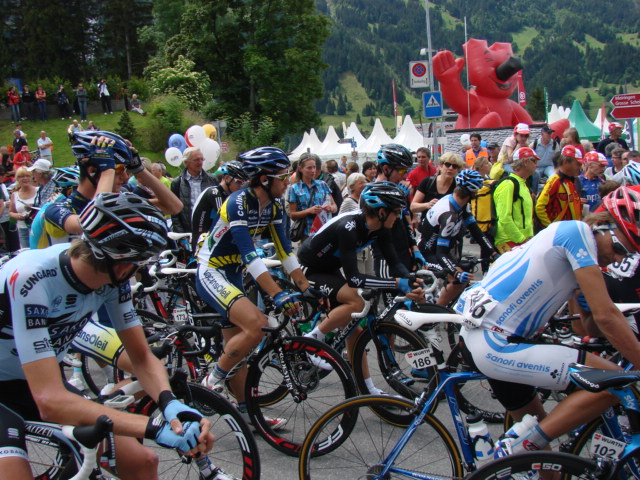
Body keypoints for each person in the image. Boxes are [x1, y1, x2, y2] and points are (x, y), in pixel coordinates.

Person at [0, 192, 213, 480]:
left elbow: (140, 356)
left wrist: (169, 403)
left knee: (142, 462)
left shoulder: (114, 281)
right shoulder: (32, 278)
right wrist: (153, 428)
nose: (139, 271)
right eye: (139, 263)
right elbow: (50, 401)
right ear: (122, 263)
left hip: (27, 380)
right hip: (24, 386)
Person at [455, 185, 640, 457]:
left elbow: (586, 327)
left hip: (493, 341)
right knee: (615, 384)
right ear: (602, 224)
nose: (618, 258)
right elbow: (606, 317)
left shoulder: (574, 248)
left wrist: (598, 312)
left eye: (628, 254)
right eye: (618, 247)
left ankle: (522, 453)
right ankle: (518, 447)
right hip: (497, 343)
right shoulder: (577, 232)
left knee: (546, 460)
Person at [198, 146, 323, 429]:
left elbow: (285, 251)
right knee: (257, 325)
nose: (289, 181)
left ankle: (247, 415)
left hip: (233, 274)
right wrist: (278, 294)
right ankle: (211, 382)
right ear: (264, 179)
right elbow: (249, 255)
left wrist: (305, 287)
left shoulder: (274, 206)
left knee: (237, 351)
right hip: (212, 270)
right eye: (283, 176)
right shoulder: (237, 202)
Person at [298, 182, 424, 389]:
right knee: (357, 302)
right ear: (382, 212)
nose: (400, 216)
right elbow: (354, 279)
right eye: (396, 211)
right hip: (308, 269)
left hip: (329, 270)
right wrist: (396, 283)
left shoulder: (381, 228)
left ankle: (367, 388)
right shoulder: (349, 228)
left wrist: (411, 280)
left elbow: (394, 263)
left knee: (354, 332)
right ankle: (311, 341)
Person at [418, 169, 498, 306]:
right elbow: (441, 253)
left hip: (437, 250)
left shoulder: (458, 203)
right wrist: (456, 273)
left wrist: (494, 253)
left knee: (461, 274)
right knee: (459, 280)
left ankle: (437, 303)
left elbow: (475, 230)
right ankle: (436, 311)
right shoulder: (450, 215)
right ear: (471, 193)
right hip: (428, 253)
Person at [371, 144, 424, 307]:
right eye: (401, 170)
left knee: (415, 302)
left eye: (406, 170)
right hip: (385, 258)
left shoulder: (397, 188)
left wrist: (414, 247)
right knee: (393, 312)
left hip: (403, 254)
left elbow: (404, 222)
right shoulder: (371, 193)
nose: (405, 175)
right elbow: (378, 231)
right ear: (386, 168)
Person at [191, 160, 248, 251]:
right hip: (202, 244)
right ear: (227, 178)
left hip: (213, 241)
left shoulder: (230, 195)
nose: (241, 186)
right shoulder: (214, 192)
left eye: (243, 183)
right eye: (238, 182)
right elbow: (227, 218)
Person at [493, 147, 536, 253]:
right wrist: (521, 239)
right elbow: (504, 217)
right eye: (534, 161)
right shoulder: (508, 185)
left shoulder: (523, 184)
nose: (537, 165)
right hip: (509, 240)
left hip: (522, 241)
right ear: (526, 162)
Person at [288, 153, 337, 241]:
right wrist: (309, 211)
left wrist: (330, 208)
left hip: (325, 230)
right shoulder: (294, 188)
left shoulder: (322, 184)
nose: (313, 170)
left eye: (314, 167)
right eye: (309, 168)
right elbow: (292, 215)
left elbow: (335, 207)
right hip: (307, 233)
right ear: (300, 169)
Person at [170, 147, 217, 234]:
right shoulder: (177, 183)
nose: (200, 162)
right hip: (188, 231)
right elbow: (174, 211)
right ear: (186, 162)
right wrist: (181, 234)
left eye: (202, 159)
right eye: (196, 160)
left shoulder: (212, 180)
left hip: (208, 230)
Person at [536, 145, 584, 227]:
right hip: (559, 230)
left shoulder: (572, 180)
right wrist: (550, 228)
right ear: (565, 162)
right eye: (578, 164)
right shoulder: (555, 181)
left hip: (571, 228)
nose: (580, 168)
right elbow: (540, 207)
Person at [410, 152, 464, 220]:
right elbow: (413, 207)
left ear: (458, 170)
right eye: (447, 165)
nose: (450, 168)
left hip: (448, 224)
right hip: (427, 224)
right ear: (440, 166)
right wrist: (427, 205)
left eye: (454, 166)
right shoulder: (427, 182)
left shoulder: (458, 187)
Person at [9, 167, 37, 248]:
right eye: (21, 176)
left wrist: (33, 206)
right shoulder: (15, 195)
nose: (25, 178)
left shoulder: (38, 191)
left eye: (27, 176)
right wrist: (17, 215)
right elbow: (10, 212)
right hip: (22, 229)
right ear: (17, 179)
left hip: (36, 228)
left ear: (31, 177)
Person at [531, 125, 559, 193]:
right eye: (548, 133)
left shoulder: (554, 144)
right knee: (535, 175)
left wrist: (557, 168)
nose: (550, 135)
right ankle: (534, 192)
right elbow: (529, 156)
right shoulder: (535, 144)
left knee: (553, 175)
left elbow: (558, 157)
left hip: (549, 166)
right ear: (542, 134)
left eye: (551, 133)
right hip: (537, 167)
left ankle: (549, 191)